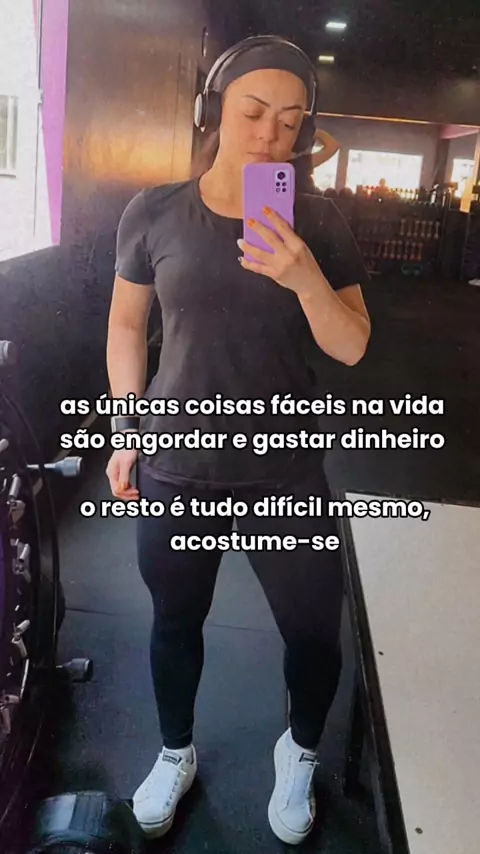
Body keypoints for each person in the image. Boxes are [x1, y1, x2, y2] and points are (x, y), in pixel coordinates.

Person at [105, 35, 371, 845]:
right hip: (177, 463)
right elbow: (127, 324)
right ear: (215, 111)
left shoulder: (317, 221)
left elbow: (352, 344)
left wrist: (303, 276)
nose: (269, 133)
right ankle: (175, 751)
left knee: (314, 632)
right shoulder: (154, 211)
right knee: (175, 618)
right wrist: (126, 425)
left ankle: (299, 751)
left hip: (282, 470)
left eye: (290, 121)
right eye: (254, 112)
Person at [291, 128, 341, 194]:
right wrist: (311, 130)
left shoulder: (297, 164)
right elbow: (333, 146)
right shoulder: (297, 165)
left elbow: (333, 146)